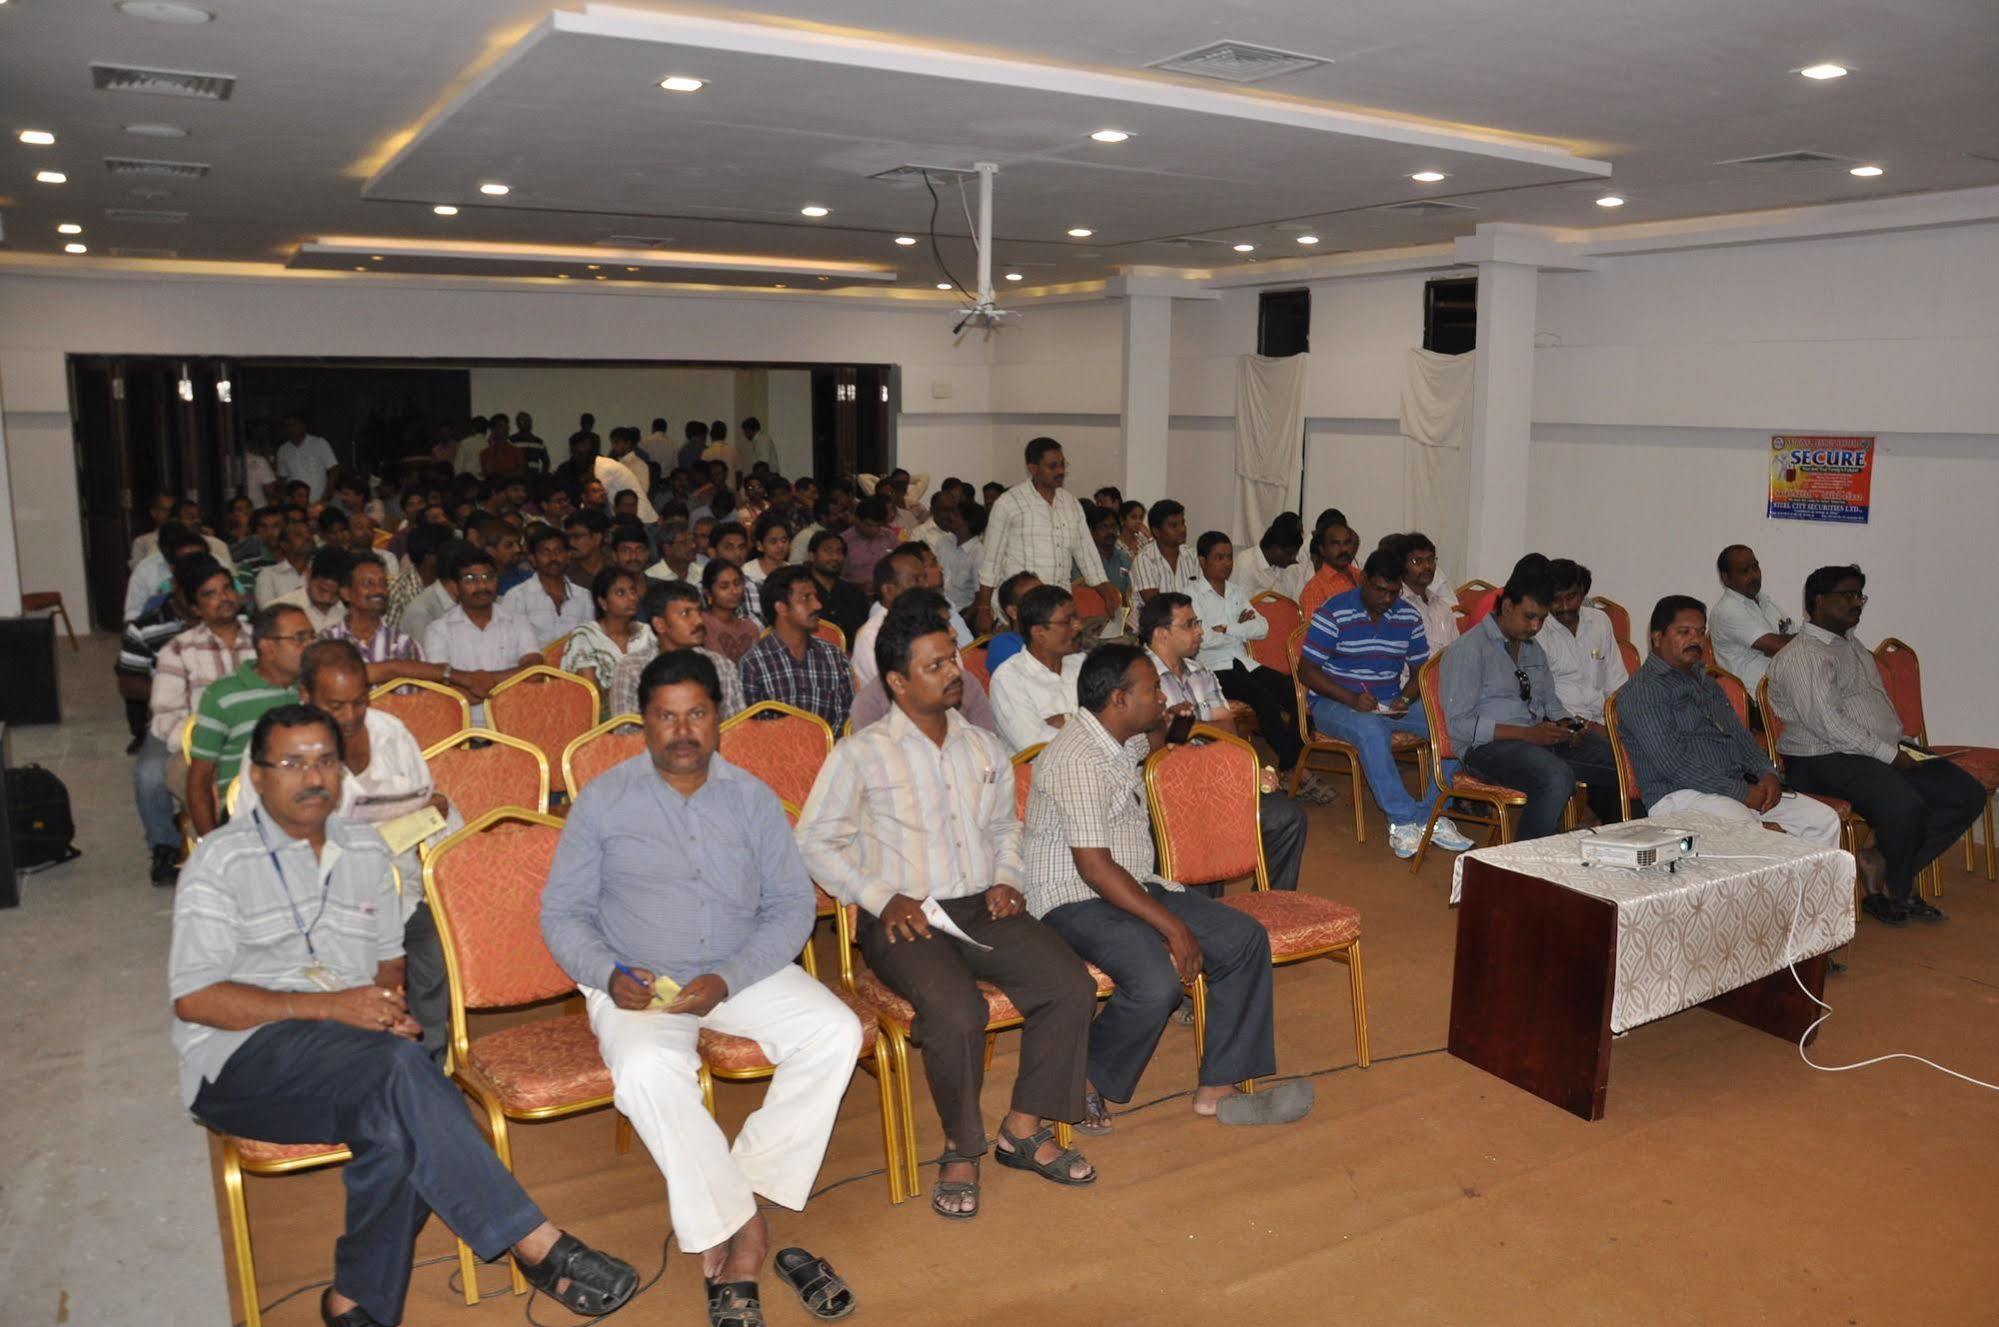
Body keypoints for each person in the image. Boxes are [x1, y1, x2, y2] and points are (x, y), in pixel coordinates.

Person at [173, 705, 638, 1327]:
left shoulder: (363, 851)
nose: (312, 776)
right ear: (256, 778)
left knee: (398, 1113)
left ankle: (353, 1304)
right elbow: (196, 1000)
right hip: (237, 1063)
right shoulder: (220, 863)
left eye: (325, 761)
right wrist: (333, 1007)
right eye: (291, 763)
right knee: (406, 1080)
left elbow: (388, 962)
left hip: (342, 1057)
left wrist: (386, 1008)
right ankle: (536, 1243)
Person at [543, 652, 860, 1316]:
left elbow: (789, 907)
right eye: (665, 715)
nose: (681, 730)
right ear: (642, 722)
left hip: (735, 968)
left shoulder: (750, 797)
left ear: (719, 717)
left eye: (696, 713)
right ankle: (743, 1228)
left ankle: (732, 1192)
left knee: (834, 1030)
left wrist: (729, 976)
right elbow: (562, 914)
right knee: (645, 1070)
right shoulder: (604, 800)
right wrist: (607, 973)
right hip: (638, 979)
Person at [797, 592, 1099, 1217]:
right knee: (958, 1011)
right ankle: (962, 1145)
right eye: (933, 665)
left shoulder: (981, 746)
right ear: (898, 681)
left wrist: (1008, 875)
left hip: (981, 908)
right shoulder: (861, 753)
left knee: (1069, 983)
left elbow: (1004, 831)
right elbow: (814, 842)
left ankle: (1022, 1126)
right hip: (903, 918)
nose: (953, 672)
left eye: (953, 659)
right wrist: (882, 896)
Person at [1021, 644, 1313, 1130]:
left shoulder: (1116, 738)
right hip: (1072, 898)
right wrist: (1173, 928)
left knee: (1242, 939)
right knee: (1155, 977)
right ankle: (1085, 1078)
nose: (1161, 694)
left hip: (1131, 883)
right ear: (1118, 698)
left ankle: (1218, 1091)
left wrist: (1166, 722)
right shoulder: (1075, 758)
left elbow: (1151, 745)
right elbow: (1093, 868)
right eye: (1152, 689)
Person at [235, 642, 464, 1053]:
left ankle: (427, 1067)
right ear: (305, 696)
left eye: (360, 701)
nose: (351, 716)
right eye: (336, 705)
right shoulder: (276, 750)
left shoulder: (390, 733)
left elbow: (423, 801)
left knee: (433, 950)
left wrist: (430, 810)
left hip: (396, 887)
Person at [1769, 565, 1985, 925]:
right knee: (1904, 806)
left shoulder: (1851, 645)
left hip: (1872, 750)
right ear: (1819, 602)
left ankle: (1880, 860)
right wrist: (1890, 756)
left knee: (1965, 794)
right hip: (1821, 758)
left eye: (1861, 596)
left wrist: (1901, 746)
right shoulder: (1804, 655)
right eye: (1848, 595)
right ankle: (1897, 891)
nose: (1857, 603)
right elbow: (1830, 725)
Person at [1616, 596, 1843, 849]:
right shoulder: (1644, 691)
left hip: (1731, 788)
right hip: (1679, 796)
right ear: (1657, 638)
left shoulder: (1708, 684)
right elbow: (1674, 765)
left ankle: (1799, 890)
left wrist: (1767, 774)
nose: (1695, 640)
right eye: (1684, 632)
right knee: (1754, 833)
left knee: (1822, 821)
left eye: (1701, 632)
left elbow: (1740, 737)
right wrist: (1742, 793)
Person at [1299, 548, 1474, 857]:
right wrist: (1351, 698)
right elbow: (1307, 671)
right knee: (1371, 729)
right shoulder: (1334, 611)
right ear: (1363, 580)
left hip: (1390, 701)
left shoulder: (1407, 615)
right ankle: (1403, 820)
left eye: (1393, 592)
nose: (1386, 599)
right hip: (1333, 702)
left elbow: (1420, 669)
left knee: (1454, 723)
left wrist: (1405, 697)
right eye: (1379, 590)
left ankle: (1431, 815)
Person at [1139, 592, 1314, 887]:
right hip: (1165, 789)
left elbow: (1228, 731)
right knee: (1203, 876)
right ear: (1162, 633)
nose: (1200, 631)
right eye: (1190, 624)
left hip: (1213, 777)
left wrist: (1187, 724)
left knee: (1287, 818)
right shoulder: (1137, 677)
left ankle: (1269, 905)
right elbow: (1152, 746)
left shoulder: (1200, 672)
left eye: (1198, 623)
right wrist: (1194, 727)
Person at [1440, 570, 1621, 841]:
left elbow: (1552, 702)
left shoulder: (1532, 648)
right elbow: (1459, 725)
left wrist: (1568, 726)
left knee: (1619, 759)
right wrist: (1527, 734)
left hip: (1536, 741)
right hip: (1486, 750)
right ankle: (1526, 862)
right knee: (1556, 777)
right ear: (1507, 606)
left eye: (1541, 619)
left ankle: (1615, 845)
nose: (1535, 626)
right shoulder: (1468, 649)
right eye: (1529, 617)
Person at [1185, 531, 1324, 797]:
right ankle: (1295, 769)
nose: (1227, 563)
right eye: (1219, 557)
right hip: (1213, 668)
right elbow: (1201, 640)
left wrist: (1226, 628)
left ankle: (1288, 765)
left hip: (1243, 661)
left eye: (1229, 557)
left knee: (1294, 693)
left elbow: (1262, 628)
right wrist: (1239, 626)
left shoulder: (1236, 591)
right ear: (1202, 561)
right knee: (1263, 698)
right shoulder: (1190, 596)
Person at [186, 604, 314, 836]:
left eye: (311, 637)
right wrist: (211, 848)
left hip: (308, 802)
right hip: (246, 814)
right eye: (299, 638)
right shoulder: (223, 695)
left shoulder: (314, 688)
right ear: (267, 647)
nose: (309, 646)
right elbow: (199, 779)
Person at [975, 439, 1115, 635]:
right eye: (1053, 466)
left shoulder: (1071, 504)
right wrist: (983, 609)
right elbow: (991, 561)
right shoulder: (1008, 503)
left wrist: (1108, 594)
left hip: (1060, 611)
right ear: (1032, 468)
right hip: (1021, 612)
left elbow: (1087, 556)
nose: (1060, 471)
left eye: (1062, 464)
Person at [738, 565, 853, 733]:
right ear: (781, 607)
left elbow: (847, 719)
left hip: (832, 755)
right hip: (776, 756)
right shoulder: (753, 664)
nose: (817, 605)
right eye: (806, 598)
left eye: (816, 597)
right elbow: (753, 734)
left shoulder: (833, 656)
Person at [609, 580, 746, 720]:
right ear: (660, 624)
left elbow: (738, 727)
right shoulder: (631, 669)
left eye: (699, 612)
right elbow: (626, 734)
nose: (698, 621)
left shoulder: (721, 665)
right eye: (686, 613)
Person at [322, 555, 452, 689]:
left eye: (383, 584)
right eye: (368, 584)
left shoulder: (405, 644)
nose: (379, 590)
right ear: (345, 593)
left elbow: (421, 699)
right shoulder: (327, 641)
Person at [419, 544, 543, 683]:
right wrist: (505, 682)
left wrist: (482, 682)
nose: (482, 586)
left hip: (512, 703)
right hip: (464, 704)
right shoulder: (438, 630)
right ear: (455, 587)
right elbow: (441, 683)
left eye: (488, 577)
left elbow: (535, 671)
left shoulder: (518, 622)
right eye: (471, 580)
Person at [989, 585, 1085, 754]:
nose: (1078, 626)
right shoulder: (1008, 679)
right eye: (1067, 621)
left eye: (1076, 617)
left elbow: (1115, 719)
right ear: (1039, 632)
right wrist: (1088, 724)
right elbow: (1033, 745)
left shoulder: (1081, 663)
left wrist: (1066, 720)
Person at [1539, 559, 1627, 726]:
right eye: (1556, 599)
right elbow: (1541, 701)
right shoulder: (1538, 632)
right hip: (1564, 726)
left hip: (1605, 722)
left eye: (1571, 597)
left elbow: (1617, 684)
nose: (1564, 607)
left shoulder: (1600, 622)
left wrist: (1619, 726)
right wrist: (1585, 726)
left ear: (1583, 592)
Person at [562, 568, 656, 717]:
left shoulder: (647, 633)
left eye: (632, 591)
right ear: (603, 603)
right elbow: (590, 697)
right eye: (620, 593)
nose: (631, 597)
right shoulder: (585, 637)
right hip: (603, 719)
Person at [1709, 543, 1795, 700]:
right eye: (1744, 571)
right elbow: (1781, 646)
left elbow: (1794, 639)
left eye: (1755, 567)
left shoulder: (1764, 601)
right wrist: (1788, 640)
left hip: (1783, 689)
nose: (1754, 575)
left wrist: (1791, 640)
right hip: (1755, 701)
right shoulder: (1727, 610)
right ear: (1725, 578)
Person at [849, 545, 926, 693]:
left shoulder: (931, 622)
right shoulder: (871, 635)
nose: (925, 586)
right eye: (916, 580)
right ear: (889, 591)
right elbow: (895, 692)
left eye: (924, 578)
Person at [1124, 500, 1202, 634]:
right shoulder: (1145, 560)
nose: (1182, 529)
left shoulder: (1192, 556)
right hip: (1155, 631)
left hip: (1189, 626)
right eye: (1174, 525)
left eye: (1183, 523)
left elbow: (1202, 596)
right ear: (1156, 531)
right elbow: (1157, 607)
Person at [1393, 531, 1459, 653]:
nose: (1427, 566)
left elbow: (1457, 653)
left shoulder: (1442, 607)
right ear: (1402, 565)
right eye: (1417, 561)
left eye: (1430, 559)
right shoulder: (1395, 606)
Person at [802, 529, 871, 644]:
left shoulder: (855, 594)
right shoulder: (801, 593)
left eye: (839, 552)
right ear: (811, 556)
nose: (835, 557)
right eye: (828, 551)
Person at [270, 546, 350, 634]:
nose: (327, 599)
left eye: (335, 594)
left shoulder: (350, 612)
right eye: (322, 591)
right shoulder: (279, 610)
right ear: (308, 576)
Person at [1230, 516, 1308, 603]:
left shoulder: (1283, 566)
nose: (1293, 559)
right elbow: (1238, 607)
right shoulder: (1246, 564)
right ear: (1275, 549)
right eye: (1289, 554)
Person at [1298, 516, 1362, 620]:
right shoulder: (1315, 590)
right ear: (1322, 550)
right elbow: (1315, 634)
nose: (1343, 549)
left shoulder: (1362, 576)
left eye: (1347, 543)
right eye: (1335, 544)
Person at [982, 571, 1042, 673]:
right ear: (1014, 612)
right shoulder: (1003, 645)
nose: (1047, 602)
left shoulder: (1057, 632)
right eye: (1037, 599)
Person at [701, 560, 761, 663]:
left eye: (737, 584)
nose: (734, 591)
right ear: (708, 594)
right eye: (724, 587)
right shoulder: (701, 623)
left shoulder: (750, 627)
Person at [252, 517, 316, 610]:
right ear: (284, 545)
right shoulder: (268, 575)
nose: (307, 538)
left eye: (309, 534)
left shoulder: (322, 571)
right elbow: (267, 612)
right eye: (299, 535)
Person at [275, 413, 338, 503]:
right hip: (295, 504)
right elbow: (282, 478)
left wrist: (326, 497)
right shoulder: (283, 449)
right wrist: (284, 499)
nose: (291, 428)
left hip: (319, 500)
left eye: (294, 424)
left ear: (303, 426)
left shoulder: (319, 443)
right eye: (287, 426)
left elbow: (334, 470)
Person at [840, 495, 898, 591]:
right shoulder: (843, 541)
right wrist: (857, 586)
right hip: (854, 594)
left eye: (878, 526)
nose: (874, 530)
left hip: (888, 592)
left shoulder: (889, 536)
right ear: (857, 519)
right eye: (869, 525)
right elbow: (836, 577)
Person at [645, 517, 701, 586]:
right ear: (667, 549)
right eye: (685, 542)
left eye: (692, 540)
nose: (693, 546)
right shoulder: (651, 576)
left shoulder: (702, 573)